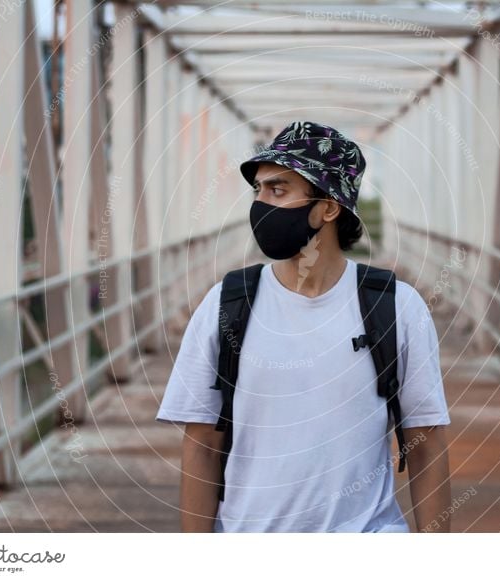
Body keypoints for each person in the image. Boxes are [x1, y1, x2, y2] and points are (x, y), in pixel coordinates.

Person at [156, 120, 451, 532]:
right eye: (258, 190)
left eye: (278, 190)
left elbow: (427, 443)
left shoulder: (397, 307)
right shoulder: (225, 306)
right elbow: (203, 444)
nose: (260, 204)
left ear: (328, 207)